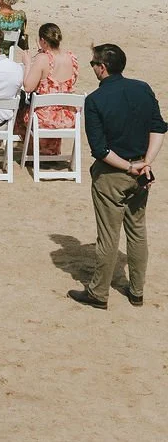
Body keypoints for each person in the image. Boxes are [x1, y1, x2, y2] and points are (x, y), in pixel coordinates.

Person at [71, 45, 167, 310]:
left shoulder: (94, 100)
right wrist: (146, 163)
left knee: (108, 236)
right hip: (141, 172)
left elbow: (100, 149)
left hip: (113, 175)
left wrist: (128, 167)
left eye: (93, 64)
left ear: (102, 68)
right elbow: (158, 128)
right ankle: (136, 291)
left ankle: (99, 292)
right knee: (137, 232)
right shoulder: (143, 88)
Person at [19, 23, 79, 155]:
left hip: (45, 118)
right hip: (67, 117)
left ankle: (32, 150)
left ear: (43, 41)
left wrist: (28, 64)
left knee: (20, 111)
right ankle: (49, 150)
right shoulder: (72, 57)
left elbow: (28, 87)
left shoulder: (43, 59)